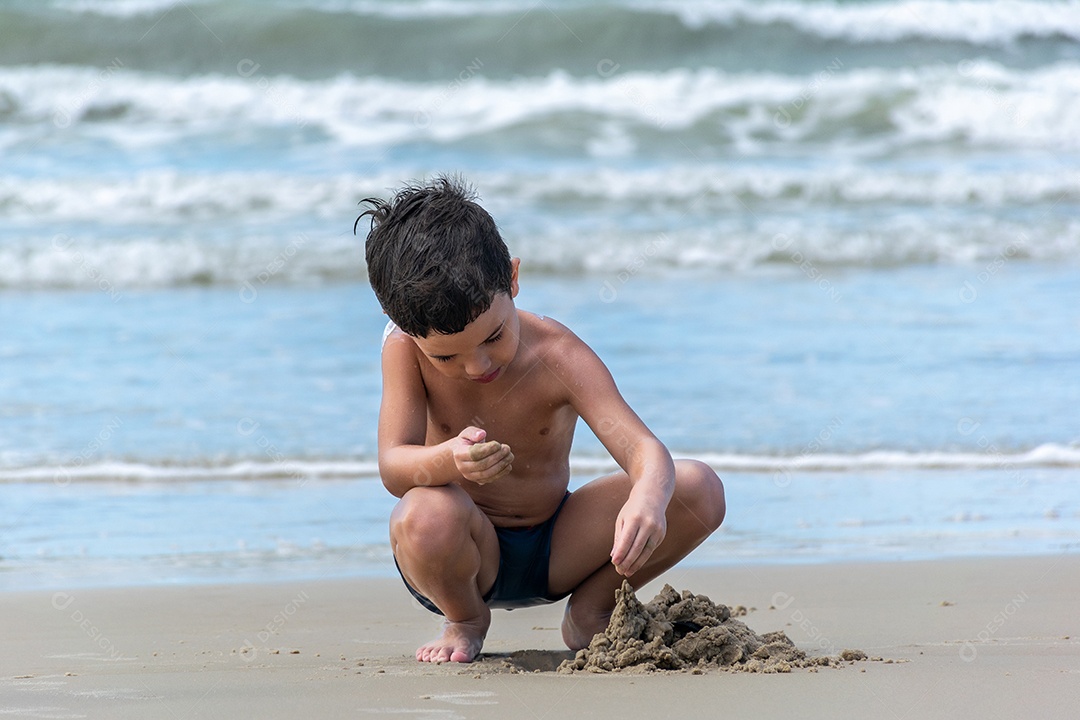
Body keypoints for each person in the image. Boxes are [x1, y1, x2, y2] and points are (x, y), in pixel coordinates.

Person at [357, 176, 726, 664]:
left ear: (511, 279)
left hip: (557, 546)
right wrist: (450, 459)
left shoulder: (557, 355)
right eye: (447, 357)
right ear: (402, 325)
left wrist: (649, 498)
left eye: (493, 337)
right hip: (459, 555)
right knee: (423, 514)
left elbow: (643, 451)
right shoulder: (404, 350)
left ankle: (592, 610)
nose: (477, 366)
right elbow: (393, 467)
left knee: (698, 487)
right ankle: (465, 619)